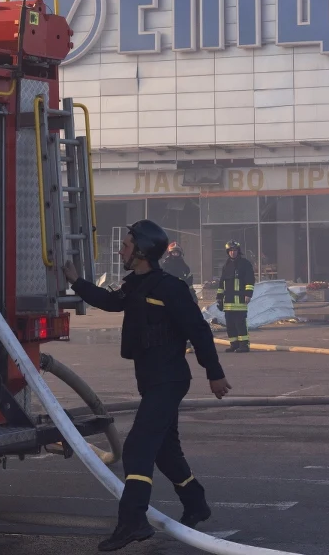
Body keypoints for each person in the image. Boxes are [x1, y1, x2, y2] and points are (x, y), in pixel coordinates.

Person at [63, 220, 231, 552]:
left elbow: (198, 331)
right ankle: (195, 502)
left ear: (141, 251)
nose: (121, 250)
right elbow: (110, 302)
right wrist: (76, 282)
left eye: (126, 245)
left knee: (138, 449)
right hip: (151, 380)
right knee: (165, 452)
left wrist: (214, 373)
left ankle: (133, 521)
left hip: (169, 380)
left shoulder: (171, 288)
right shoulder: (135, 285)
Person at [218, 240, 255, 353]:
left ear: (238, 251)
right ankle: (234, 345)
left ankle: (244, 345)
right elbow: (222, 283)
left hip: (240, 300)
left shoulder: (245, 264)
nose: (232, 252)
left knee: (240, 323)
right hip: (228, 302)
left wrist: (248, 294)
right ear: (227, 252)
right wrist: (219, 297)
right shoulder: (226, 265)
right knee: (230, 325)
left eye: (234, 250)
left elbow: (250, 280)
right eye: (230, 250)